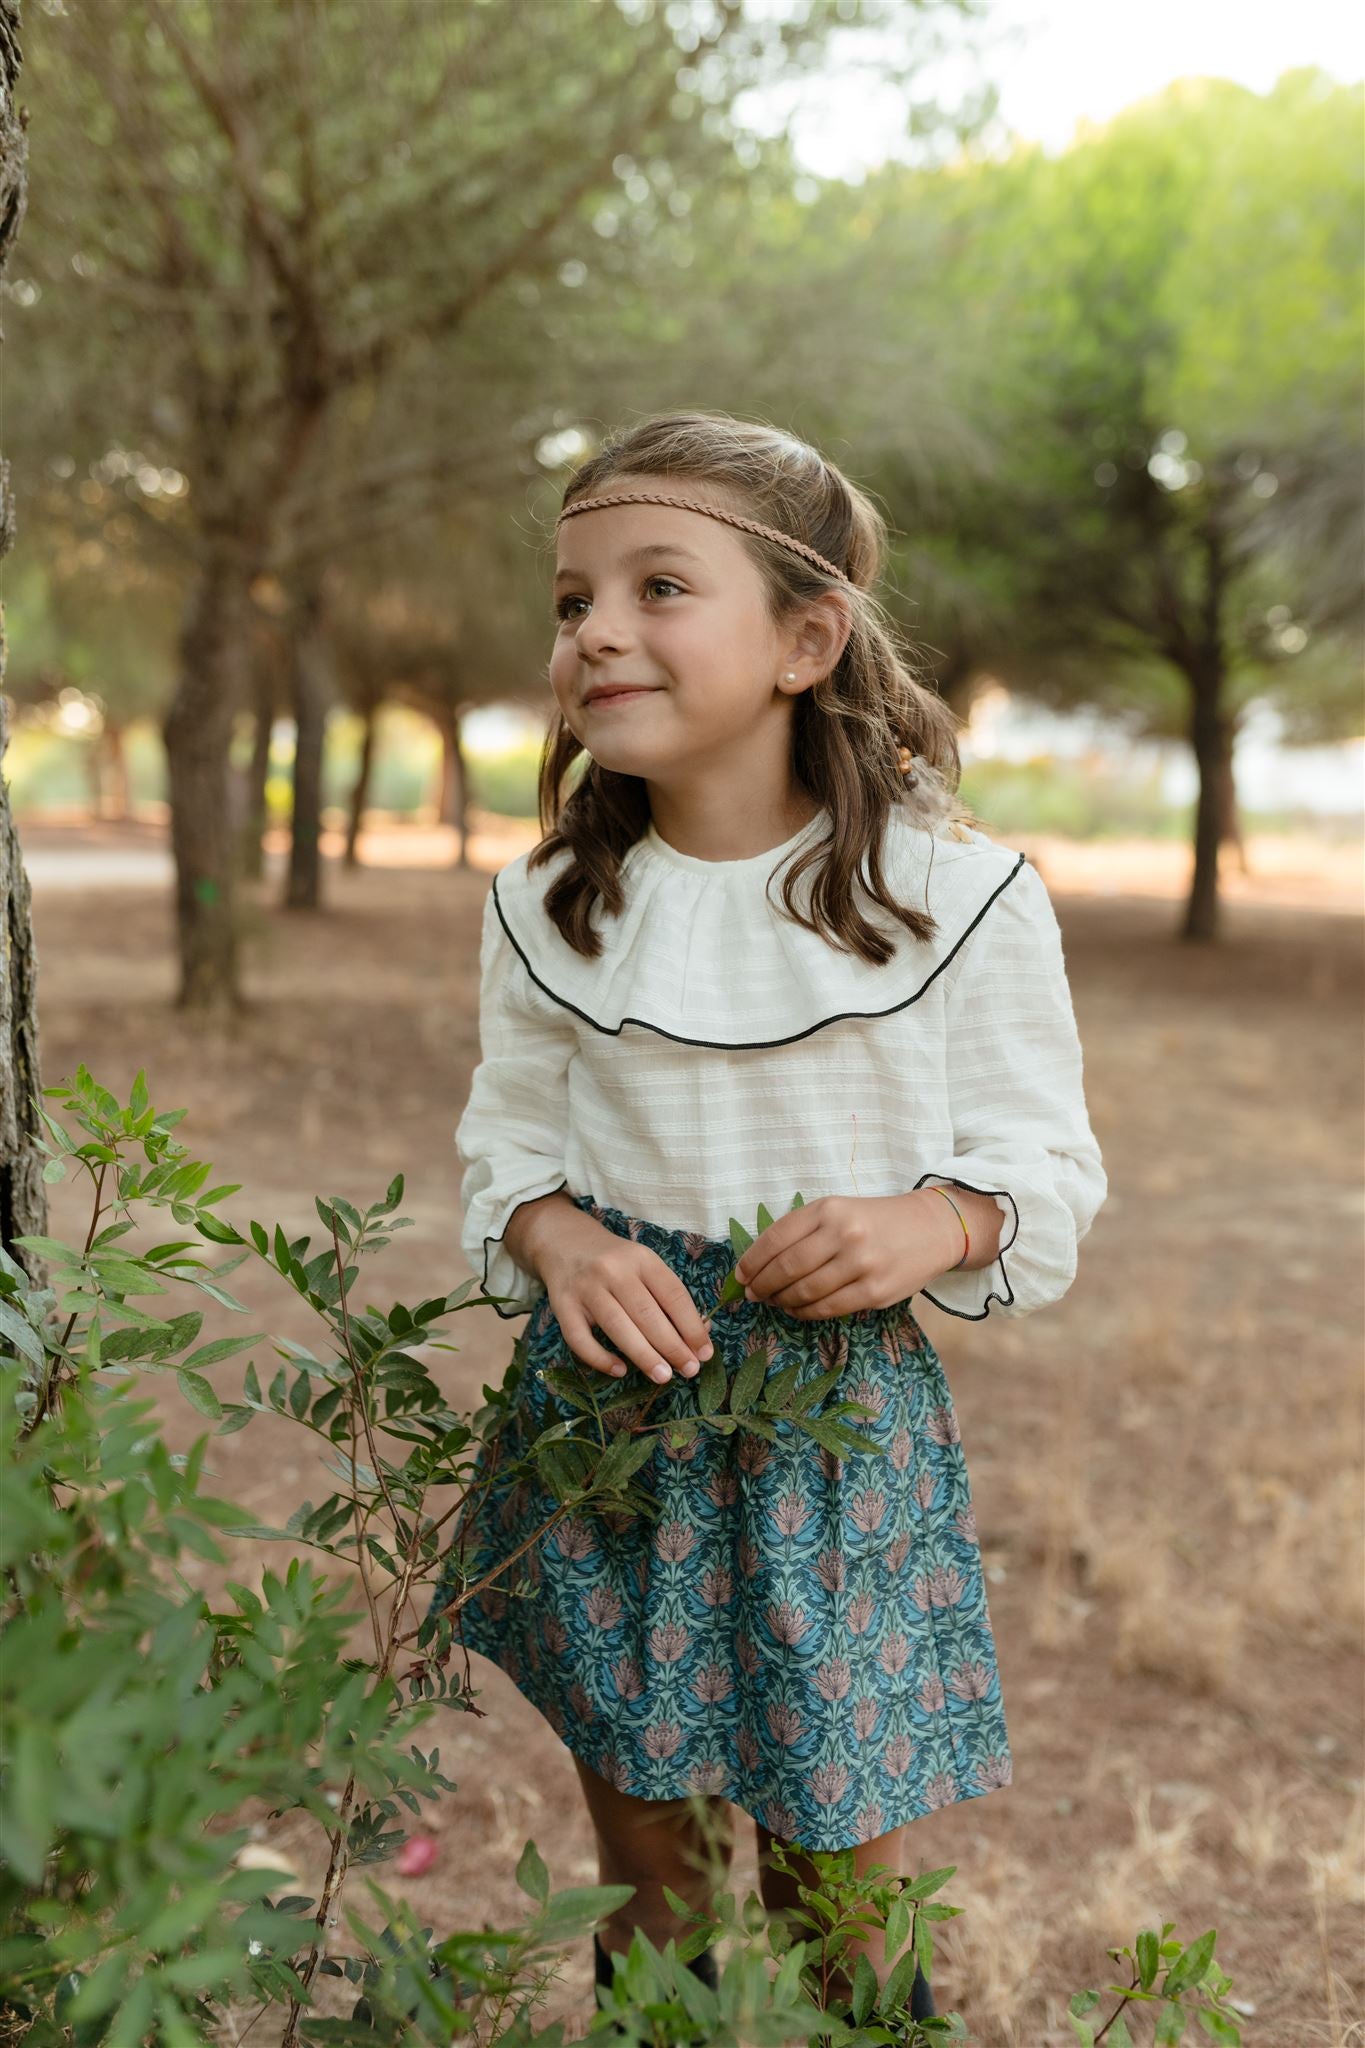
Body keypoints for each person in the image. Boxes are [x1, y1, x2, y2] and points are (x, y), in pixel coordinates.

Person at [427, 409, 1107, 2021]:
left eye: (659, 586)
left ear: (806, 639)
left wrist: (932, 1225)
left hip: (824, 1423)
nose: (595, 629)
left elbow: (1044, 1167)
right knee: (649, 1867)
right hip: (607, 1419)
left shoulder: (959, 899)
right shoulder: (549, 910)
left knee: (835, 1882)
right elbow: (503, 1150)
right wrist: (558, 1240)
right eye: (571, 599)